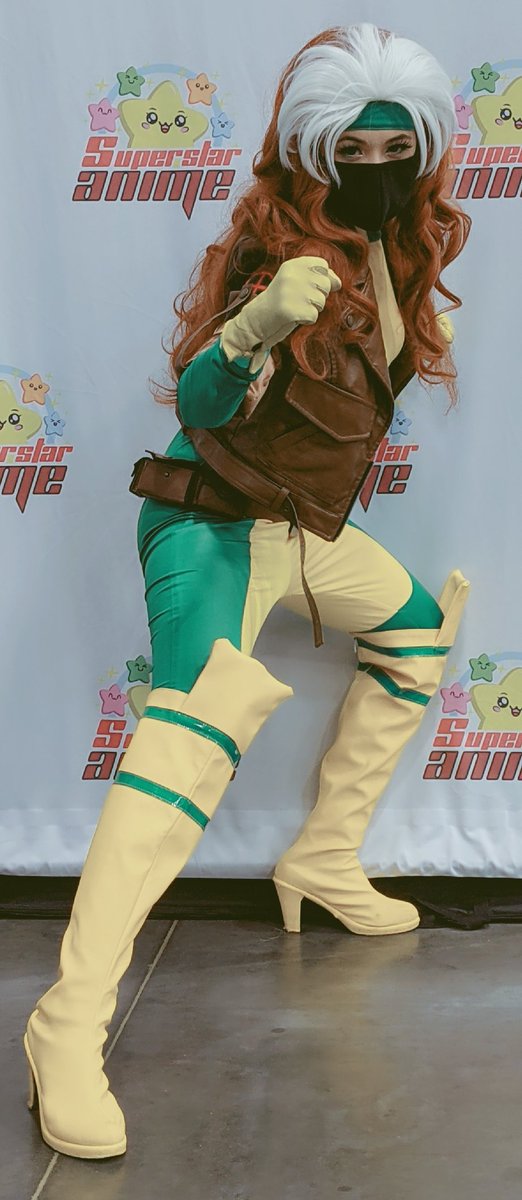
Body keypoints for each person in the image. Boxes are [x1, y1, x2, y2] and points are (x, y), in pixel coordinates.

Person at [24, 22, 472, 1159]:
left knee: (419, 635)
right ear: (316, 151)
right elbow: (202, 403)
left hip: (305, 531)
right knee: (189, 731)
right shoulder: (274, 256)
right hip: (212, 523)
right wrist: (249, 333)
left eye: (397, 151)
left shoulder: (399, 252)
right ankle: (65, 1024)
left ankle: (323, 856)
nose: (376, 171)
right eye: (353, 152)